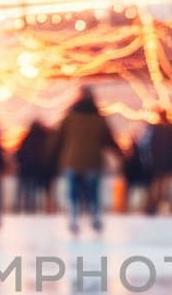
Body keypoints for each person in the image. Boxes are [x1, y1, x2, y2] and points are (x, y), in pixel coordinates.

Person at [49, 87, 121, 234]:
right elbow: (109, 140)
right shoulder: (99, 119)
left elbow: (57, 140)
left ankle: (74, 218)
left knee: (73, 193)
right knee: (93, 193)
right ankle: (95, 217)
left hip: (72, 161)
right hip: (92, 161)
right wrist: (121, 154)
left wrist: (49, 156)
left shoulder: (69, 118)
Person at [142, 109, 172, 215]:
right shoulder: (171, 130)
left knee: (157, 185)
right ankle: (161, 207)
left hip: (158, 163)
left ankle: (153, 206)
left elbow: (148, 147)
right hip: (167, 163)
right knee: (164, 186)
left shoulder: (154, 130)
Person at [15, 119, 55, 213]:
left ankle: (26, 208)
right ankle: (39, 208)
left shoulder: (27, 137)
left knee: (27, 190)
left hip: (26, 169)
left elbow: (20, 153)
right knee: (39, 190)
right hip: (40, 169)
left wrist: (21, 163)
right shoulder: (45, 137)